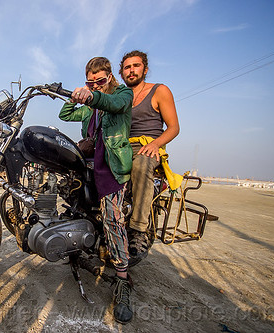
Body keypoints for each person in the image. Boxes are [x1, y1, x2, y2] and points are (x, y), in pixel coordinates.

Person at [59, 57, 134, 324]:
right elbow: (65, 115)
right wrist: (73, 98)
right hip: (87, 163)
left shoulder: (122, 94)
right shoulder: (90, 108)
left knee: (113, 219)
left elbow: (114, 103)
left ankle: (123, 282)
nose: (96, 86)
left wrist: (92, 95)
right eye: (90, 82)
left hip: (110, 163)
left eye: (100, 81)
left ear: (111, 77)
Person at [119, 50, 180, 261]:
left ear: (145, 69)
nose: (131, 70)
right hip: (123, 147)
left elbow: (173, 127)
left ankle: (138, 230)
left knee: (142, 165)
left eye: (135, 66)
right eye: (127, 67)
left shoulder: (159, 91)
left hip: (147, 147)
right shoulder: (121, 95)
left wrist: (156, 144)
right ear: (121, 73)